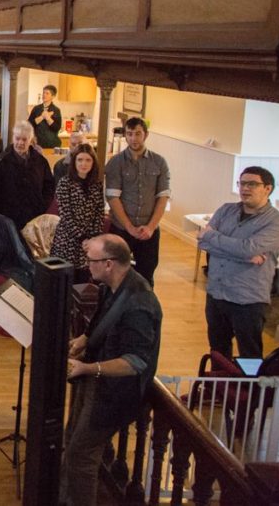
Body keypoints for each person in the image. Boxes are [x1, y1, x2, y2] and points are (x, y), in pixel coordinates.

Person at [62, 234, 162, 506]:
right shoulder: (110, 285)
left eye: (91, 260)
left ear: (108, 263)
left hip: (115, 391)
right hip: (97, 377)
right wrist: (84, 340)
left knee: (82, 455)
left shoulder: (139, 304)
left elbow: (135, 362)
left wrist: (88, 367)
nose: (87, 265)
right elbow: (102, 321)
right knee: (72, 439)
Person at [200, 166, 279, 359]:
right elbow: (203, 242)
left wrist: (213, 236)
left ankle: (249, 390)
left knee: (250, 354)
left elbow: (248, 248)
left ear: (267, 188)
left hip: (248, 299)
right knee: (218, 350)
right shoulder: (226, 210)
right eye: (242, 183)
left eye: (252, 184)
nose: (245, 188)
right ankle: (218, 388)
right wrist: (244, 254)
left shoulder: (276, 222)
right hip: (217, 294)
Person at [104, 117, 171, 285]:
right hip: (121, 229)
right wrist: (129, 228)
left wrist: (150, 227)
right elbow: (113, 197)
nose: (134, 138)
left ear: (146, 135)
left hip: (149, 231)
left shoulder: (159, 162)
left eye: (138, 134)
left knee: (146, 276)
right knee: (117, 275)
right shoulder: (116, 163)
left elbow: (163, 197)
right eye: (130, 134)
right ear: (125, 136)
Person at [51, 144, 106, 282]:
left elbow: (99, 213)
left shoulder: (97, 185)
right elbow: (66, 215)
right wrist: (82, 238)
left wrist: (93, 238)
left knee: (83, 284)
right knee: (65, 284)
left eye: (88, 160)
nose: (84, 164)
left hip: (88, 242)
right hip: (67, 240)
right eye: (80, 160)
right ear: (74, 161)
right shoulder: (65, 183)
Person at [0, 121, 55, 229]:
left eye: (24, 139)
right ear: (13, 138)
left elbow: (49, 186)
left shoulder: (40, 161)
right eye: (17, 138)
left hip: (35, 216)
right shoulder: (2, 161)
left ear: (30, 140)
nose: (20, 142)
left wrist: (43, 205)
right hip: (10, 217)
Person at [28, 84, 63, 149]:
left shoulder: (56, 110)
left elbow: (57, 128)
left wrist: (48, 118)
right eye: (43, 93)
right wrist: (42, 117)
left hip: (52, 144)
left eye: (47, 93)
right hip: (37, 144)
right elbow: (29, 124)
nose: (44, 95)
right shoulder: (36, 109)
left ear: (53, 96)